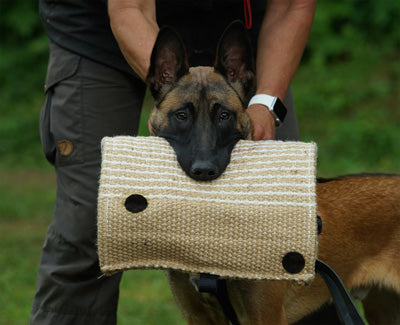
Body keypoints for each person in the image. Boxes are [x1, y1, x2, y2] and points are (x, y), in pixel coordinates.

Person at [30, 0, 317, 324]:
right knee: (90, 222)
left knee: (286, 227)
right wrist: (170, 94)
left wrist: (266, 101)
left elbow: (293, 5)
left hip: (240, 40)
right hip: (100, 34)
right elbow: (129, 10)